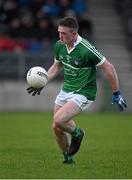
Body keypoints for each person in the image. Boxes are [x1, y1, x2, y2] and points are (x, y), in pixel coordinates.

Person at [27, 16, 127, 164]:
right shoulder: (60, 45)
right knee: (56, 127)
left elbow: (109, 67)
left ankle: (78, 133)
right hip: (66, 89)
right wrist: (43, 81)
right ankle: (68, 158)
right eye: (59, 32)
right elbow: (56, 67)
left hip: (84, 92)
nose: (60, 36)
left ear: (74, 34)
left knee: (59, 119)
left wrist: (116, 93)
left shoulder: (87, 49)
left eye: (64, 33)